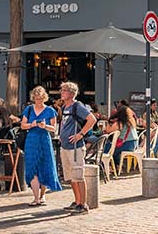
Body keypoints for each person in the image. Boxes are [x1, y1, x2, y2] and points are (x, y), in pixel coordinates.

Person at [58, 81, 97, 215]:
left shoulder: (77, 106)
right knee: (71, 176)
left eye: (64, 90)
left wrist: (80, 134)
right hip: (65, 146)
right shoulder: (64, 107)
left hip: (75, 148)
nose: (61, 92)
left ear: (72, 93)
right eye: (61, 90)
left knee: (79, 176)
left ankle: (83, 204)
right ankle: (77, 201)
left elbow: (92, 119)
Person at [21, 85, 62, 206]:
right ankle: (35, 197)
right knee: (32, 167)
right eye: (36, 98)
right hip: (32, 140)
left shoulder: (50, 111)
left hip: (44, 140)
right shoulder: (28, 109)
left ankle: (42, 195)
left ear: (44, 98)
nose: (38, 101)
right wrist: (32, 124)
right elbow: (23, 125)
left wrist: (45, 126)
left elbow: (54, 128)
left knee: (44, 166)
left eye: (40, 98)